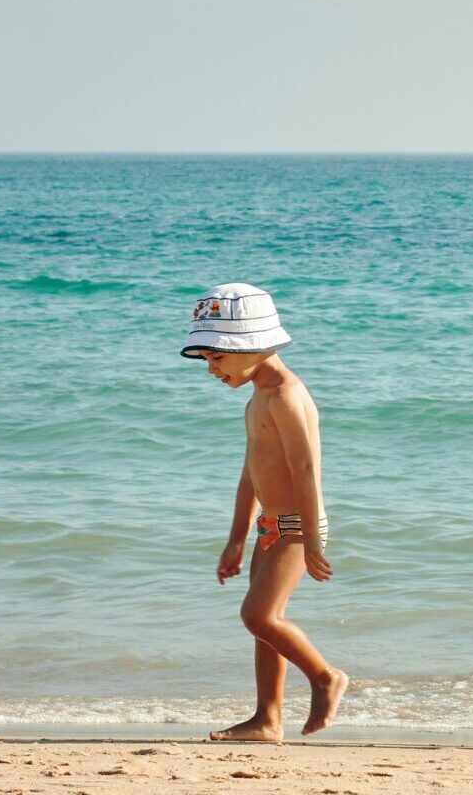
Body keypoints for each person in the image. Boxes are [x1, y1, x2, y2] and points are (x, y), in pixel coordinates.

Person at [181, 282, 347, 741]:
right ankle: (267, 719)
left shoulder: (286, 397)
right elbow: (250, 475)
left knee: (258, 616)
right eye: (207, 360)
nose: (211, 369)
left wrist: (311, 538)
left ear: (251, 346)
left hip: (297, 527)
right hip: (269, 526)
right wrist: (236, 538)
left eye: (217, 358)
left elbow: (306, 469)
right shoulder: (258, 397)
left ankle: (325, 676)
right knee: (264, 626)